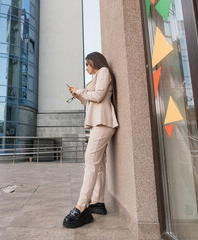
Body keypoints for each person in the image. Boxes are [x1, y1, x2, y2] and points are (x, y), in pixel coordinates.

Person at [63, 52, 118, 228]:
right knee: (98, 163)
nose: (86, 68)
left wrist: (81, 91)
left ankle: (81, 205)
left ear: (95, 62)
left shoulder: (103, 72)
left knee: (90, 161)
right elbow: (90, 102)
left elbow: (99, 96)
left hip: (103, 123)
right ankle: (97, 202)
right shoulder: (94, 78)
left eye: (88, 64)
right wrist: (79, 95)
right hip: (98, 123)